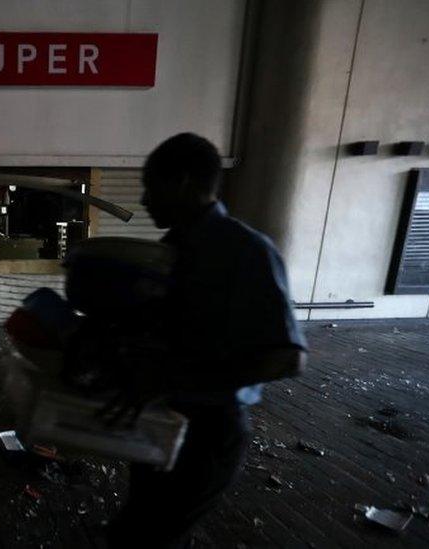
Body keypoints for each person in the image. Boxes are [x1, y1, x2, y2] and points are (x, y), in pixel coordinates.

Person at [105, 133, 308, 547]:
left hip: (208, 435)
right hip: (161, 420)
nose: (144, 200)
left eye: (150, 187)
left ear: (182, 182)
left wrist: (174, 382)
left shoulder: (246, 251)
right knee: (136, 530)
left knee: (147, 537)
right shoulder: (171, 251)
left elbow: (286, 358)